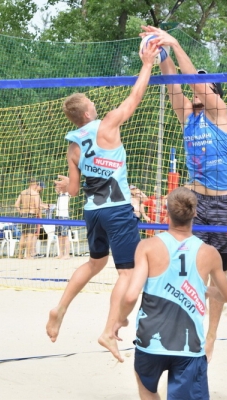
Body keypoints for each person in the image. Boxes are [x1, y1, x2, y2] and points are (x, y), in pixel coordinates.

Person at [45, 40, 161, 360]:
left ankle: (60, 308)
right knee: (127, 273)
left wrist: (64, 183)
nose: (95, 105)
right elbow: (135, 97)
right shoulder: (107, 123)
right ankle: (109, 331)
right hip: (117, 209)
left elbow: (72, 190)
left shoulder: (73, 146)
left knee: (95, 263)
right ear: (87, 112)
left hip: (92, 212)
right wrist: (147, 64)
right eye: (92, 103)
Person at [142, 26, 227, 362]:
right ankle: (189, 329)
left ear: (214, 92)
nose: (198, 86)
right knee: (188, 269)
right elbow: (173, 84)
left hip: (225, 203)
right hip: (197, 203)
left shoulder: (219, 114)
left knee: (218, 274)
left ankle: (211, 336)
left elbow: (194, 82)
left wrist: (176, 43)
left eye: (204, 83)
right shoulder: (187, 116)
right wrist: (162, 53)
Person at [112, 187, 227, 399]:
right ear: (195, 212)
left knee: (147, 389)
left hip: (150, 341)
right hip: (189, 346)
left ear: (167, 211)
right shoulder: (209, 253)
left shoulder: (146, 246)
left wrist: (120, 319)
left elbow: (130, 296)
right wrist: (205, 290)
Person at [14, 179, 44, 259]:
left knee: (23, 235)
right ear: (34, 185)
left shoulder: (23, 192)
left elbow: (16, 204)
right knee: (30, 236)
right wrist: (38, 216)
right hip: (32, 215)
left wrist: (21, 212)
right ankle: (28, 255)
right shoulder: (35, 194)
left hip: (23, 215)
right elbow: (37, 207)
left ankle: (20, 255)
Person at [54, 184, 71, 260]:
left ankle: (67, 254)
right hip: (58, 217)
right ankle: (61, 254)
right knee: (59, 236)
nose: (56, 189)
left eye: (57, 187)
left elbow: (70, 187)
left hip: (64, 217)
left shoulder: (67, 193)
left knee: (65, 236)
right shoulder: (59, 195)